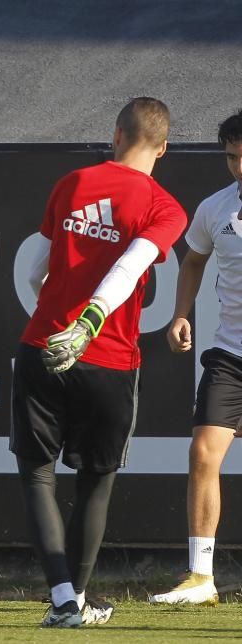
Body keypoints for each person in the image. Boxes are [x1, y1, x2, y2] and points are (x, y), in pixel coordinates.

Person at [10, 97, 187, 627]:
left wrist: (66, 307)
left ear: (115, 135)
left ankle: (66, 599)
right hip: (107, 355)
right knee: (96, 478)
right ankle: (75, 599)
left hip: (43, 344)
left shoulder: (72, 183)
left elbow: (33, 273)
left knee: (37, 474)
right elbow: (131, 267)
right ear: (162, 149)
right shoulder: (165, 207)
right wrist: (89, 322)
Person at [149, 109, 242, 607]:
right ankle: (201, 577)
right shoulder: (214, 209)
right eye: (231, 158)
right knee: (202, 454)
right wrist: (181, 313)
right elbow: (193, 260)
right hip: (229, 356)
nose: (239, 168)